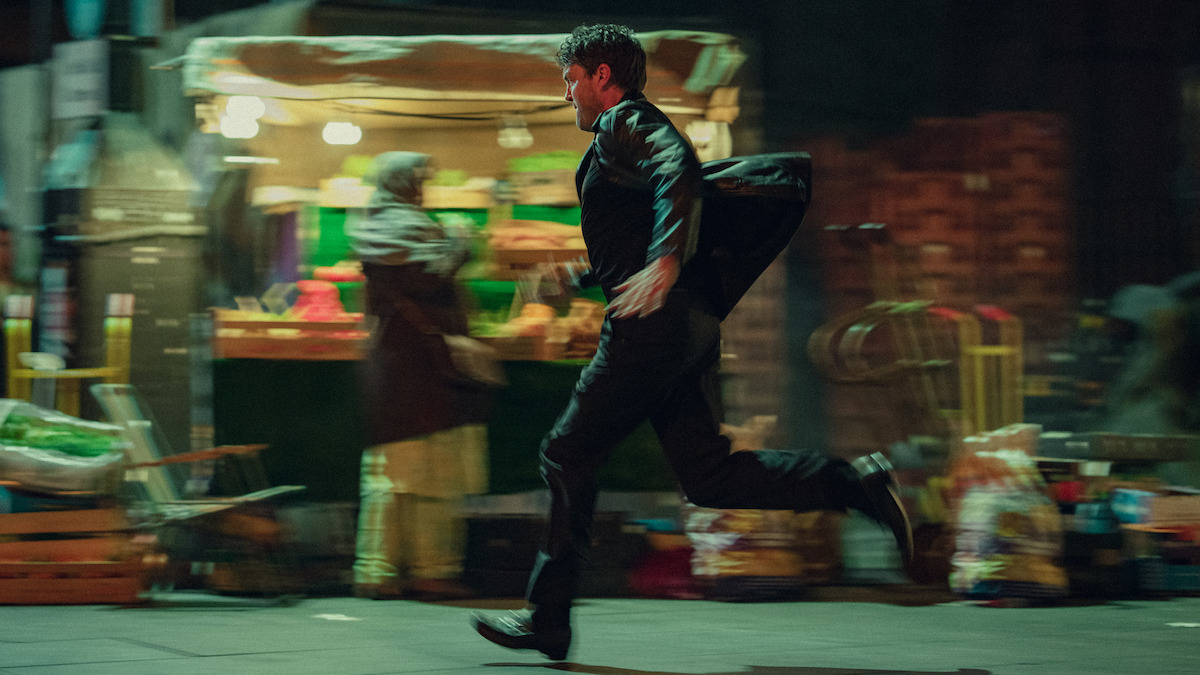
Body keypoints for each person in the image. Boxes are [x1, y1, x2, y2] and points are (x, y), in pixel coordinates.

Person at [472, 24, 911, 661]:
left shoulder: (625, 121)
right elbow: (636, 228)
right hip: (684, 329)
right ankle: (854, 484)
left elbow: (678, 164)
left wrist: (666, 260)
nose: (565, 91)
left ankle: (549, 618)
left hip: (651, 331)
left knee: (566, 453)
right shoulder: (616, 136)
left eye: (570, 78)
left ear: (602, 76)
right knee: (709, 476)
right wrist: (576, 273)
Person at [348, 151, 491, 601]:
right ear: (397, 183)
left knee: (397, 473)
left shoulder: (378, 225)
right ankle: (427, 570)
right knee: (424, 474)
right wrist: (459, 243)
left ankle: (378, 569)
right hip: (418, 371)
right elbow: (429, 278)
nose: (421, 186)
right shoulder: (399, 228)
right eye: (414, 179)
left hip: (400, 370)